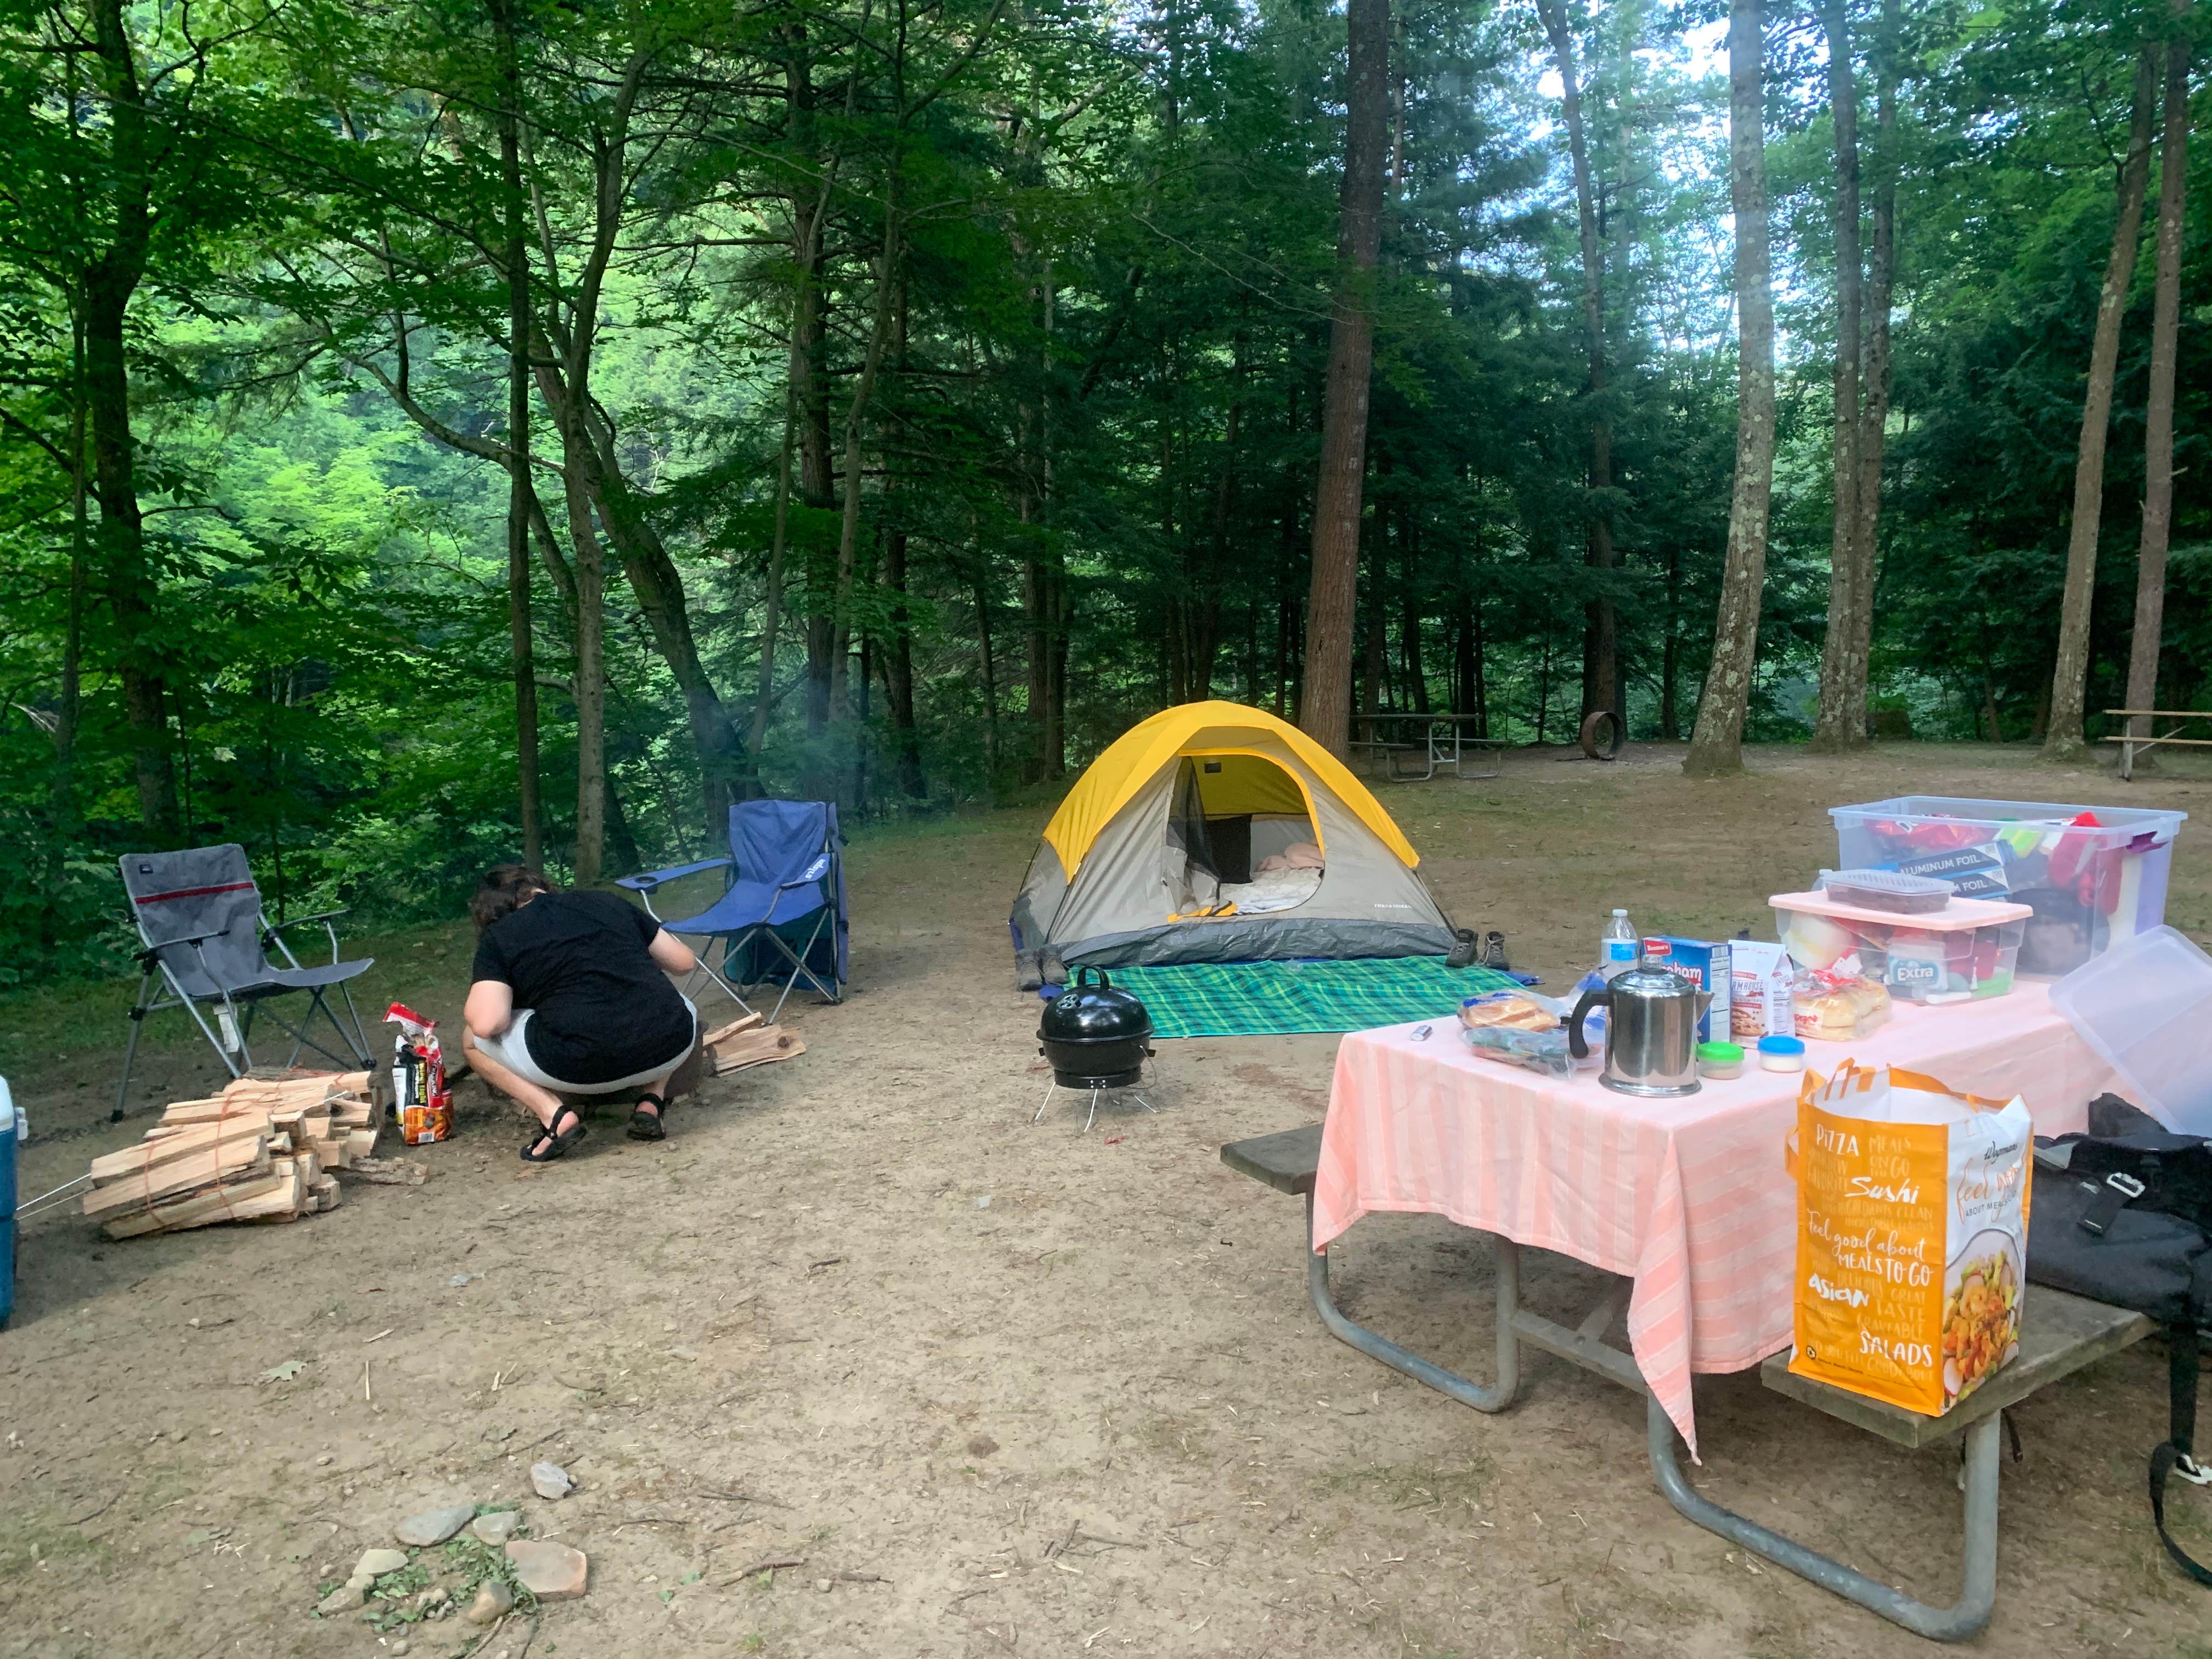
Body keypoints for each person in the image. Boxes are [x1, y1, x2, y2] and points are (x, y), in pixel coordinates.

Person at [462, 864, 701, 1161]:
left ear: (489, 911)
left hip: (579, 1065)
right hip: (669, 1047)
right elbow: (683, 962)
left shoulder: (500, 936)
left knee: (471, 1040)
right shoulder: (606, 901)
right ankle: (652, 1100)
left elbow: (487, 1023)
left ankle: (555, 1117)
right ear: (541, 885)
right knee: (668, 1002)